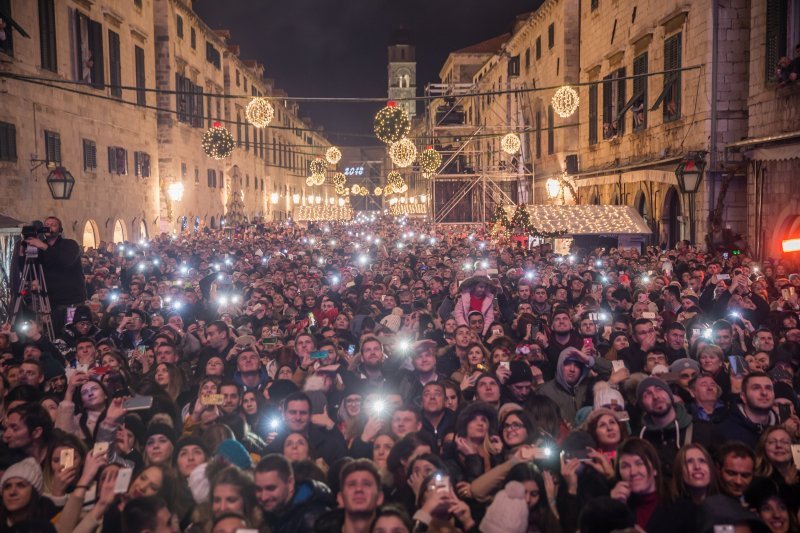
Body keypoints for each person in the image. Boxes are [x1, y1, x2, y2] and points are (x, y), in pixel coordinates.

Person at [17, 216, 87, 336]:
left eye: (53, 224)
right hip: (51, 303)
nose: (49, 226)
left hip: (72, 302)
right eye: (46, 224)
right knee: (54, 334)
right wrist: (23, 253)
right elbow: (29, 274)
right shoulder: (39, 247)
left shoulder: (70, 244)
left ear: (60, 230)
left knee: (72, 332)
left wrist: (44, 247)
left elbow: (66, 261)